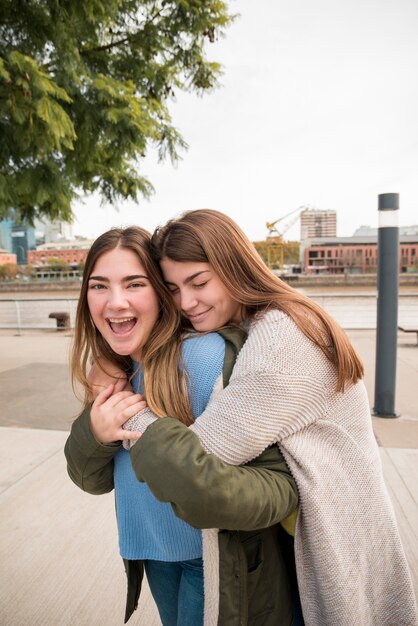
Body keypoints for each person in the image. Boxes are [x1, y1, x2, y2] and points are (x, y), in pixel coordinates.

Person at [121, 209, 418, 626]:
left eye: (199, 282)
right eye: (172, 288)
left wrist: (127, 410)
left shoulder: (280, 343)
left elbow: (200, 457)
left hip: (332, 541)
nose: (186, 302)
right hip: (329, 523)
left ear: (234, 266)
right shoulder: (276, 316)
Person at [64, 226, 300, 626]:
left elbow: (278, 483)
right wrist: (96, 434)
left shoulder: (204, 357)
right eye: (99, 286)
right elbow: (90, 478)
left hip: (207, 559)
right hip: (150, 552)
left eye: (134, 283)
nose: (115, 302)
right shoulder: (115, 370)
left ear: (159, 292)